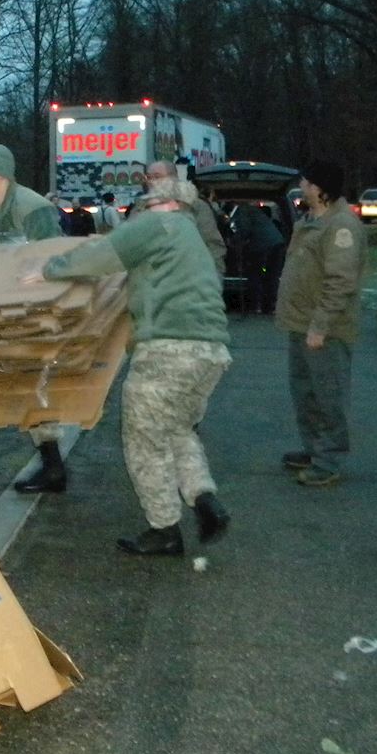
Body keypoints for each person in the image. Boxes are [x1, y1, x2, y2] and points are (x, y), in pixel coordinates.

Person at [26, 179, 232, 557]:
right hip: (210, 351)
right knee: (177, 431)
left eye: (147, 203)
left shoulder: (160, 226)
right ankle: (204, 499)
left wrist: (51, 269)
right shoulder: (188, 237)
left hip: (168, 351)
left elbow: (103, 254)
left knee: (143, 442)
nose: (142, 209)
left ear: (166, 203)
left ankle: (164, 529)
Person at [0, 143, 68, 494]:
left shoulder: (34, 208)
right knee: (20, 385)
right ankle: (51, 462)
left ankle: (53, 467)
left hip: (36, 309)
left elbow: (55, 258)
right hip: (0, 308)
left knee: (35, 384)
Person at [274, 160, 366, 486]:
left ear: (320, 188)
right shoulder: (311, 220)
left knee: (328, 394)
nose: (302, 185)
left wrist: (320, 326)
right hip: (301, 324)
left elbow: (340, 282)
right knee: (305, 393)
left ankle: (329, 460)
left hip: (324, 331)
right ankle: (314, 449)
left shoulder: (341, 226)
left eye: (306, 181)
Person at [133, 160, 226, 276]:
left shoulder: (195, 206)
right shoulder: (141, 208)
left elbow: (213, 246)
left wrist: (213, 280)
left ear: (174, 178)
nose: (151, 182)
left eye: (157, 177)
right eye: (148, 177)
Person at [229, 201, 286, 314]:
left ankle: (256, 305)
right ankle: (271, 306)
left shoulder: (242, 211)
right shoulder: (253, 211)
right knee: (272, 276)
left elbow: (245, 230)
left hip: (262, 245)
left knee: (255, 275)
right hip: (277, 243)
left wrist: (234, 242)